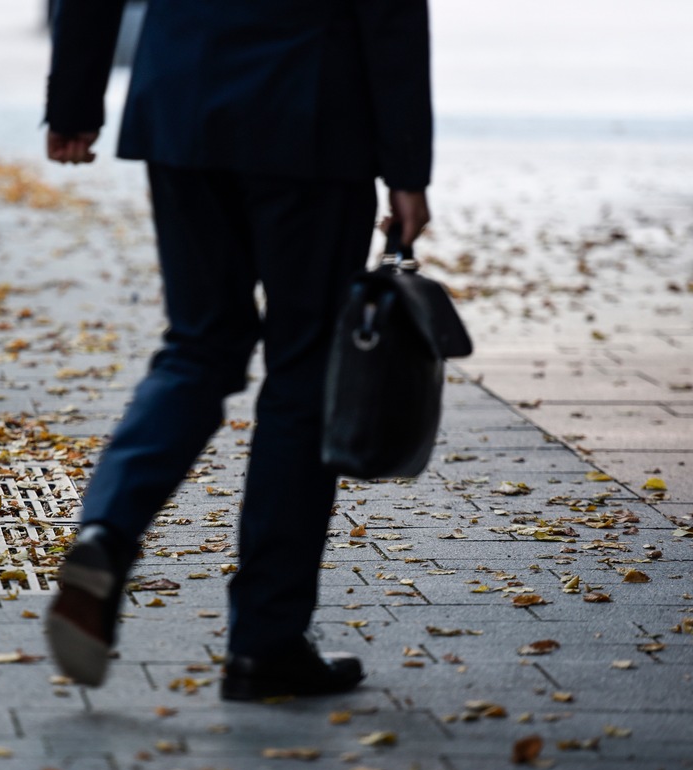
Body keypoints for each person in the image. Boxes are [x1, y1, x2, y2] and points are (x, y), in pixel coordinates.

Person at [43, 0, 433, 701]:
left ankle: (108, 527)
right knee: (305, 370)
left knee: (198, 345)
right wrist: (407, 164)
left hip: (183, 97)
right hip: (311, 111)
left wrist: (75, 99)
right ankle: (266, 639)